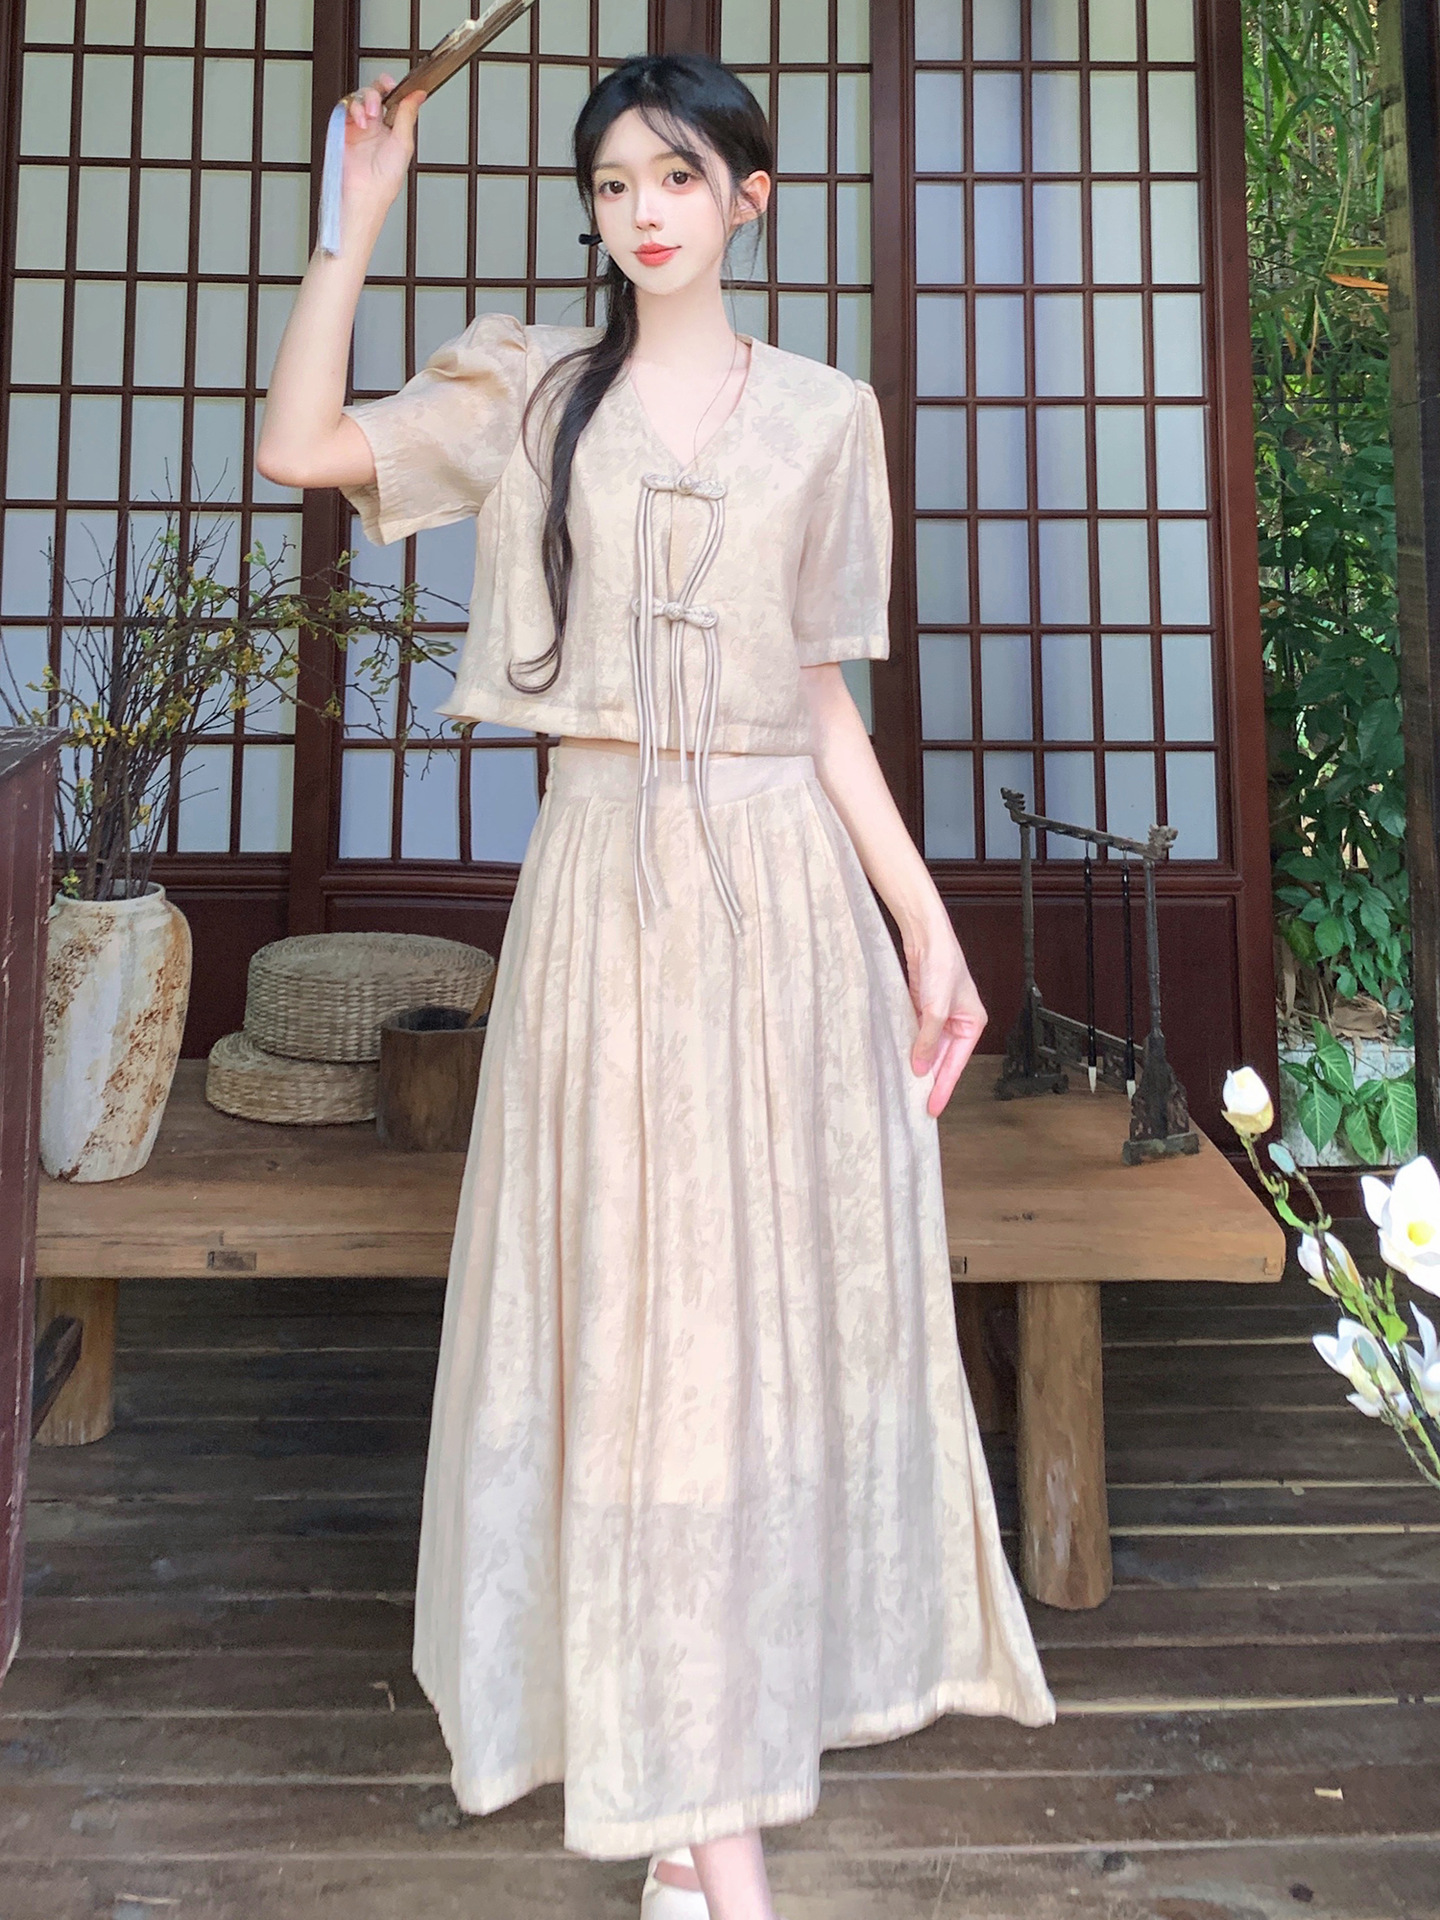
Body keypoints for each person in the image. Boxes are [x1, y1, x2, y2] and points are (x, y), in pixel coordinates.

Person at [255, 50, 1055, 1920]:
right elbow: (302, 449)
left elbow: (819, 698)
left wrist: (928, 929)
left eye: (678, 176)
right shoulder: (536, 391)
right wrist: (355, 221)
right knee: (633, 1329)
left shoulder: (828, 417)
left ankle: (703, 1793)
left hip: (784, 901)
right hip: (603, 893)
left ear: (749, 197)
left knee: (756, 1338)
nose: (643, 212)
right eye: (614, 183)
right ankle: (712, 1826)